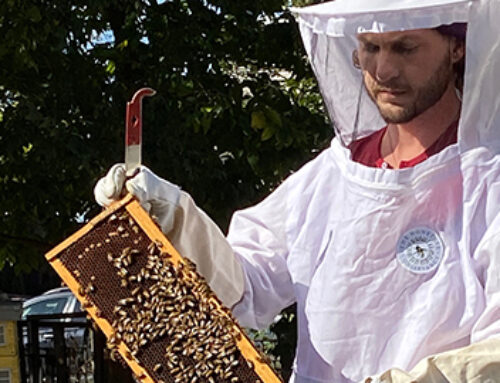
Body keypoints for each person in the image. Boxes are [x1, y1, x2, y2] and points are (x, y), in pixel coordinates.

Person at [94, 0, 500, 382]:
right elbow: (243, 287)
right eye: (370, 47)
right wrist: (173, 217)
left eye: (405, 48)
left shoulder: (488, 179)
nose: (384, 70)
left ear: (456, 47)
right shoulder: (333, 174)